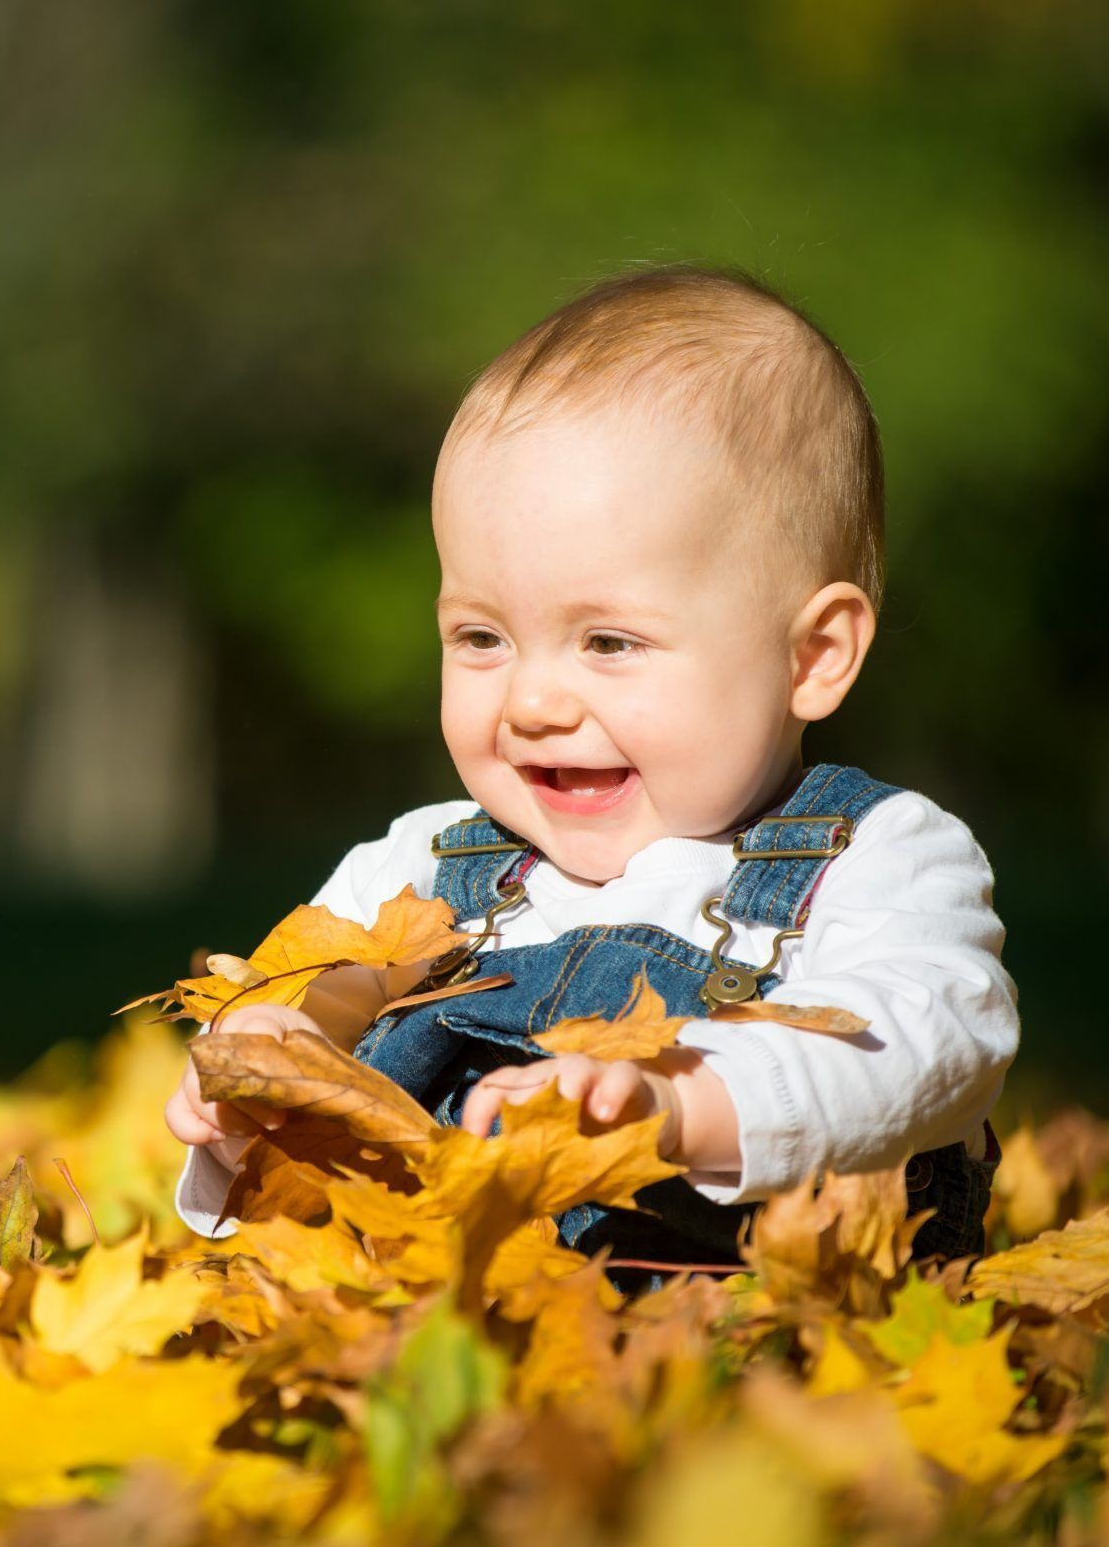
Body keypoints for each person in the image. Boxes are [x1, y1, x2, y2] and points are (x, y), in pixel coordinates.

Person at [162, 266, 1019, 1267]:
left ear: (811, 655)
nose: (531, 702)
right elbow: (321, 982)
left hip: (765, 1344)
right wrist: (274, 1054)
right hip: (450, 1325)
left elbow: (929, 1046)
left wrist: (688, 1102)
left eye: (608, 642)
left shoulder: (879, 857)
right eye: (482, 637)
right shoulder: (429, 863)